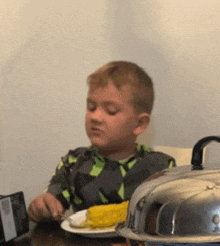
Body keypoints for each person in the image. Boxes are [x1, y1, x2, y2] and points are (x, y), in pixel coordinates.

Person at [28, 61, 175, 222]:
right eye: (91, 107)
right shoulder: (73, 162)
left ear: (139, 124)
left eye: (110, 111)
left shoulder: (161, 167)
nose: (95, 117)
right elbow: (52, 201)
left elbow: (170, 219)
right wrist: (43, 206)